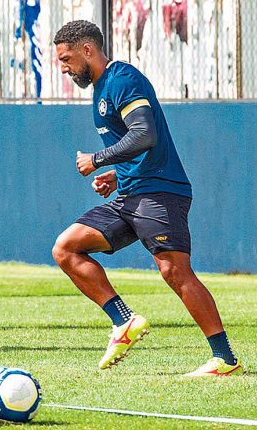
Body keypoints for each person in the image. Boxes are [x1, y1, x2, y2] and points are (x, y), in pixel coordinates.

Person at [51, 20, 242, 376]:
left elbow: (144, 134)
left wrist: (97, 160)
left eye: (66, 58)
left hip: (159, 192)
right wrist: (114, 174)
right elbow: (134, 144)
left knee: (174, 272)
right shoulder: (101, 87)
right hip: (131, 192)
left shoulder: (122, 79)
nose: (63, 67)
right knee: (66, 247)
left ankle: (225, 359)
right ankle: (123, 321)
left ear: (87, 50)